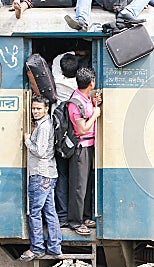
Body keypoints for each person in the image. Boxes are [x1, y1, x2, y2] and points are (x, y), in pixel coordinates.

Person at [19, 95, 62, 261]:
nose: (35, 111)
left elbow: (40, 151)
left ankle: (37, 248)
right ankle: (54, 247)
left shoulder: (44, 127)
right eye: (33, 108)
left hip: (40, 175)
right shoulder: (45, 124)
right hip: (48, 174)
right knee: (50, 212)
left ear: (46, 109)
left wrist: (27, 141)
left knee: (35, 212)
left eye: (38, 108)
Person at [68, 68, 101, 235]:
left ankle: (85, 216)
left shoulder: (85, 98)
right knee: (78, 187)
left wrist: (95, 103)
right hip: (80, 149)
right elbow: (82, 130)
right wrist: (95, 115)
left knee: (86, 184)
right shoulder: (75, 103)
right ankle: (75, 221)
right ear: (91, 83)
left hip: (89, 147)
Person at [52, 52, 80, 228]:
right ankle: (75, 215)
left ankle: (61, 215)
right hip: (75, 137)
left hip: (59, 137)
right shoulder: (79, 86)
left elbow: (56, 61)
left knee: (61, 175)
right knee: (76, 177)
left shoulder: (56, 79)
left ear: (61, 71)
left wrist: (73, 52)